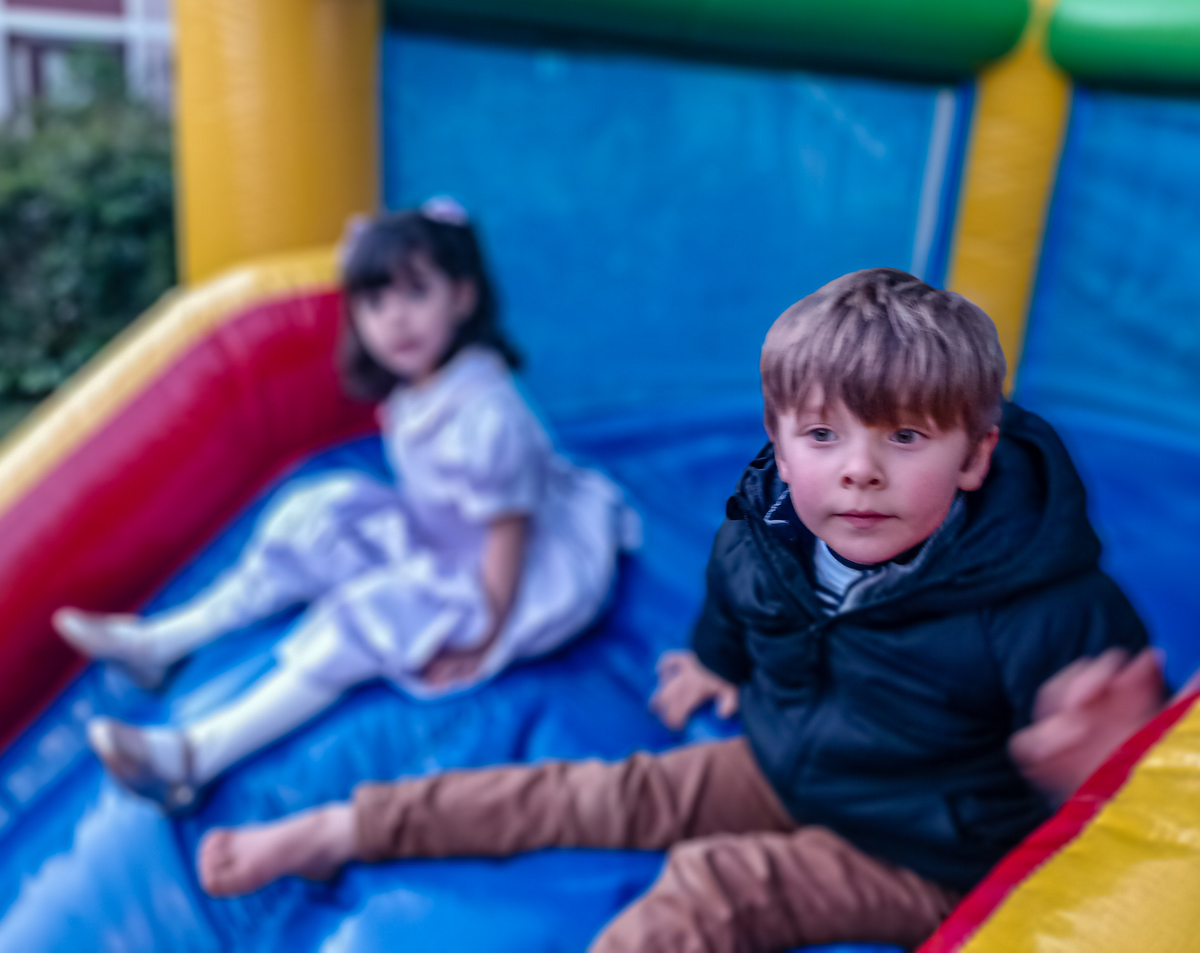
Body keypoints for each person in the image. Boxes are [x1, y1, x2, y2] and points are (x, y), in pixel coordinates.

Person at [194, 268, 1150, 952]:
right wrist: (715, 665)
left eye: (905, 436)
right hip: (792, 760)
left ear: (974, 456)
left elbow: (1139, 830)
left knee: (717, 884)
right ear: (778, 443)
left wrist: (1090, 774)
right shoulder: (765, 538)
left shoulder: (1049, 609)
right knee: (598, 792)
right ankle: (351, 828)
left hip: (928, 848)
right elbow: (741, 608)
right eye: (823, 434)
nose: (859, 468)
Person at [54, 198, 639, 812]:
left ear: (462, 297)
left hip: (511, 576)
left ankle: (193, 757)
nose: (396, 320)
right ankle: (162, 644)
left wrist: (485, 636)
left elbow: (507, 536)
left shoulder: (488, 414)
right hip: (447, 534)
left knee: (361, 618)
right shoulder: (423, 387)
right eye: (375, 303)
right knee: (315, 520)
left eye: (416, 295)